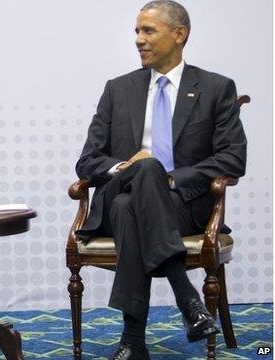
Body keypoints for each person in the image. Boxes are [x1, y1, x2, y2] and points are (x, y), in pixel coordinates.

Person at [75, 1, 246, 359]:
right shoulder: (118, 90)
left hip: (182, 204)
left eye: (148, 30)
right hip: (123, 187)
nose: (139, 39)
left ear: (179, 34)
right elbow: (87, 162)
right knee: (143, 172)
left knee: (128, 207)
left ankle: (133, 342)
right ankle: (189, 300)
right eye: (137, 31)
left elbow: (233, 158)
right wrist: (129, 167)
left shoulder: (216, 89)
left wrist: (172, 179)